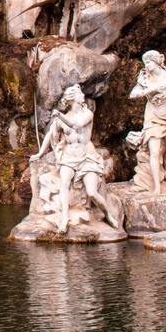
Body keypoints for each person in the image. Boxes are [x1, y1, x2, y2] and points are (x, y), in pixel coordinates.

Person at [30, 84, 120, 233]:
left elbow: (77, 125)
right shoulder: (65, 117)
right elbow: (49, 135)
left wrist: (59, 116)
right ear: (72, 99)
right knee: (64, 182)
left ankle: (108, 214)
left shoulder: (87, 114)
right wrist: (40, 154)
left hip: (86, 157)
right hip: (69, 157)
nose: (82, 95)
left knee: (92, 192)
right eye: (79, 94)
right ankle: (65, 217)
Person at [127, 50, 166, 194]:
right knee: (154, 152)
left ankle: (164, 171)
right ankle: (156, 186)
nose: (146, 66)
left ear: (156, 62)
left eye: (149, 62)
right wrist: (153, 88)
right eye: (145, 63)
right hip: (153, 117)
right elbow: (133, 94)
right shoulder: (145, 78)